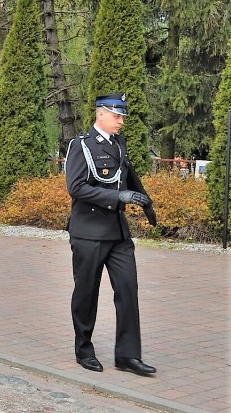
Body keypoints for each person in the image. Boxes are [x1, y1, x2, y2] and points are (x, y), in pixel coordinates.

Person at [64, 93, 157, 376]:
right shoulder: (81, 146)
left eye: (123, 116)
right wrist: (118, 196)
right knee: (86, 293)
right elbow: (76, 187)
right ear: (100, 114)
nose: (121, 121)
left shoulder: (119, 143)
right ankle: (84, 349)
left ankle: (127, 356)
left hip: (117, 233)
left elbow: (128, 175)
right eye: (117, 116)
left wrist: (146, 201)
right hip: (88, 232)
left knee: (128, 289)